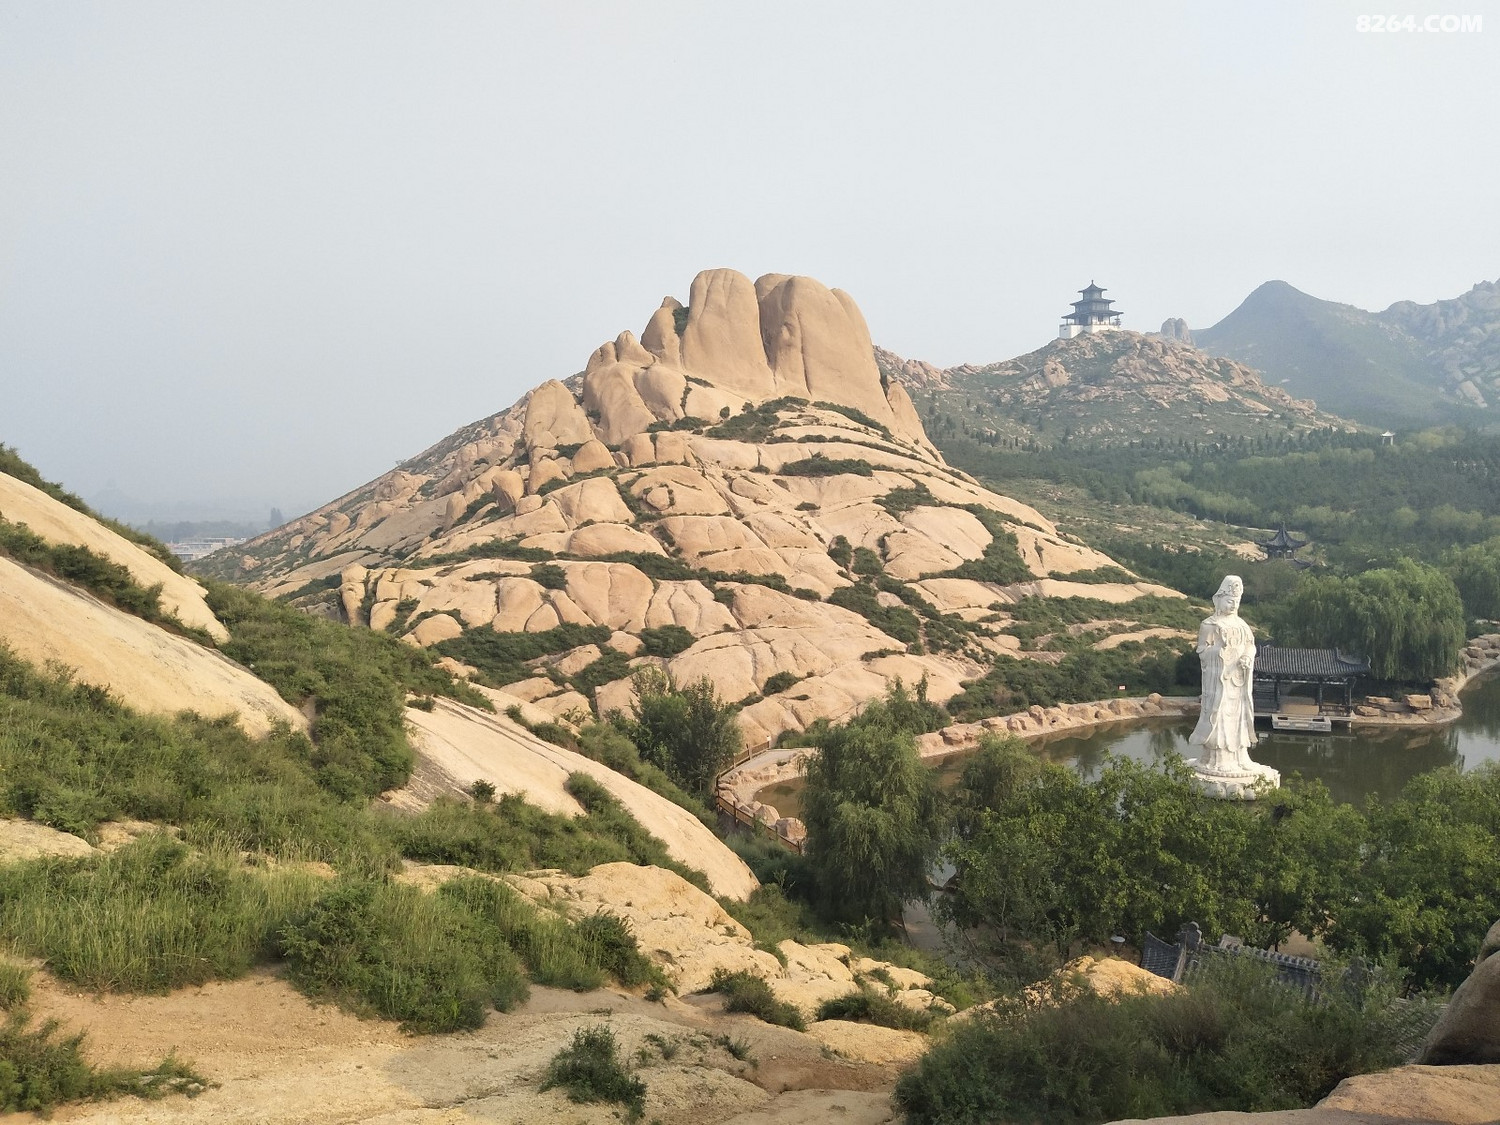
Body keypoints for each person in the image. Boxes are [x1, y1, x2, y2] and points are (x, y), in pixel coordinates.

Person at [1188, 575, 1258, 773]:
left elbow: (1250, 646)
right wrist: (1219, 651)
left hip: (1239, 681)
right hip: (1219, 680)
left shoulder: (1243, 625)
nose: (1233, 605)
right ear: (1219, 600)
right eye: (1229, 601)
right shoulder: (1210, 624)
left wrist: (1247, 657)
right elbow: (1202, 651)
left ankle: (1241, 756)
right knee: (1219, 716)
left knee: (1239, 716)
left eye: (1236, 601)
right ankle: (1215, 759)